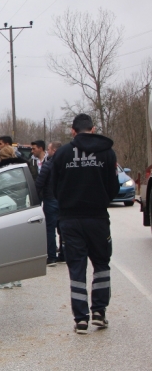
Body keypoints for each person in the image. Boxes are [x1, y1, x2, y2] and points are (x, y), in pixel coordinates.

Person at [51, 113, 119, 335]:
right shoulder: (107, 153)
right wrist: (100, 200)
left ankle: (81, 319)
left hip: (70, 220)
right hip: (97, 218)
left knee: (77, 268)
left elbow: (52, 188)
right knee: (101, 263)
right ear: (93, 128)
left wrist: (67, 202)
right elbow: (113, 188)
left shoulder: (61, 154)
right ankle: (99, 311)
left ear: (72, 131)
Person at [0, 145, 29, 289]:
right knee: (17, 246)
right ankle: (17, 278)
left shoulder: (1, 172)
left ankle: (5, 280)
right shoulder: (21, 170)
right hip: (21, 210)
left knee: (4, 247)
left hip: (6, 211)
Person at [36, 141, 62, 267]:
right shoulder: (66, 165)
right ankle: (64, 254)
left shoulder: (48, 165)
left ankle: (51, 257)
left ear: (54, 151)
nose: (48, 151)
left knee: (50, 229)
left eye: (49, 149)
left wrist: (34, 197)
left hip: (50, 200)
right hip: (63, 200)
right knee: (62, 228)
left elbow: (39, 184)